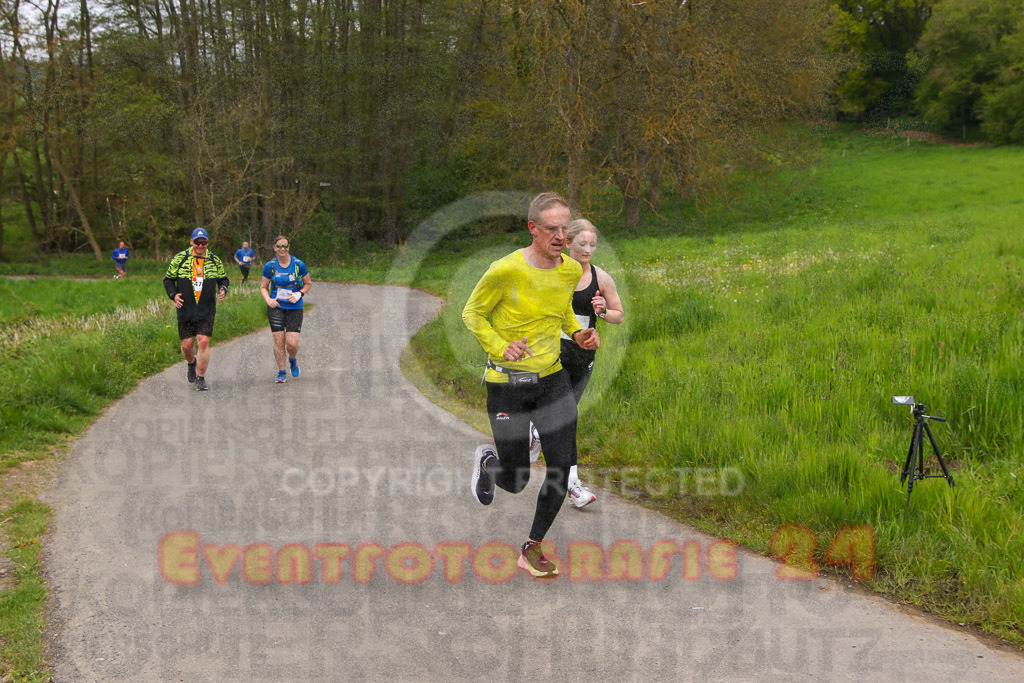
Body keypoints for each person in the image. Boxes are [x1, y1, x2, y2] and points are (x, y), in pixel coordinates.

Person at [463, 192, 600, 578]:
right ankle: (491, 464)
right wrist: (501, 346)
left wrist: (580, 334)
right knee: (517, 479)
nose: (560, 236)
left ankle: (532, 547)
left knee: (561, 465)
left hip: (553, 379)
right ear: (533, 229)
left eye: (565, 229)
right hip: (508, 382)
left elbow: (561, 316)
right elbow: (472, 313)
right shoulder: (504, 270)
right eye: (552, 229)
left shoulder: (570, 271)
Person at [555, 218, 624, 507]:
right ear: (568, 243)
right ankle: (572, 485)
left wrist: (603, 310)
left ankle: (570, 484)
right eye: (582, 244)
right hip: (551, 352)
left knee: (565, 418)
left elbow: (618, 315)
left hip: (583, 356)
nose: (587, 249)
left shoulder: (601, 278)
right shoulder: (552, 272)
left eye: (592, 244)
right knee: (564, 416)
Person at [163, 228, 229, 391]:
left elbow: (224, 278)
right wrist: (173, 295)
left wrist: (223, 289)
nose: (200, 246)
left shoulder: (214, 260)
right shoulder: (181, 258)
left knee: (204, 341)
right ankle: (192, 363)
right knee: (187, 345)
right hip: (186, 307)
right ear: (191, 242)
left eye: (204, 243)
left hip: (206, 308)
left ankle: (200, 377)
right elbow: (168, 280)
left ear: (207, 243)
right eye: (197, 242)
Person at [260, 235, 311, 383]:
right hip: (276, 306)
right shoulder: (270, 266)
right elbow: (263, 287)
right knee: (279, 340)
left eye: (285, 246)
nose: (282, 249)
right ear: (274, 247)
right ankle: (281, 372)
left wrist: (299, 294)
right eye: (279, 246)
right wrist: (268, 300)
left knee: (292, 343)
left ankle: (293, 359)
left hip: (295, 306)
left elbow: (308, 283)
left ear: (288, 247)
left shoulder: (298, 264)